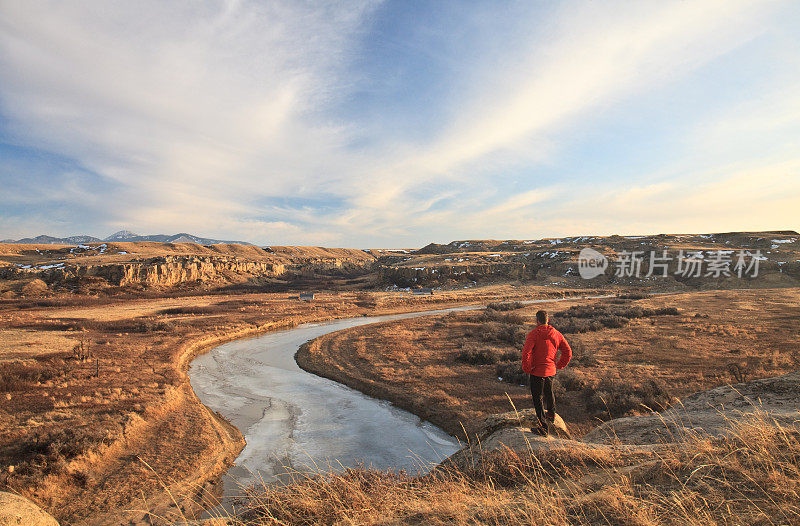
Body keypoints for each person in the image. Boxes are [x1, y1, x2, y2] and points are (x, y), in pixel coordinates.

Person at [521, 310, 572, 435]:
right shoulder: (556, 334)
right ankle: (551, 416)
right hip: (550, 370)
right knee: (549, 393)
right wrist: (559, 365)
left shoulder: (533, 334)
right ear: (547, 320)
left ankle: (543, 428)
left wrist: (527, 368)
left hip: (536, 371)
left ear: (537, 321)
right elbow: (568, 352)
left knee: (538, 399)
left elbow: (526, 353)